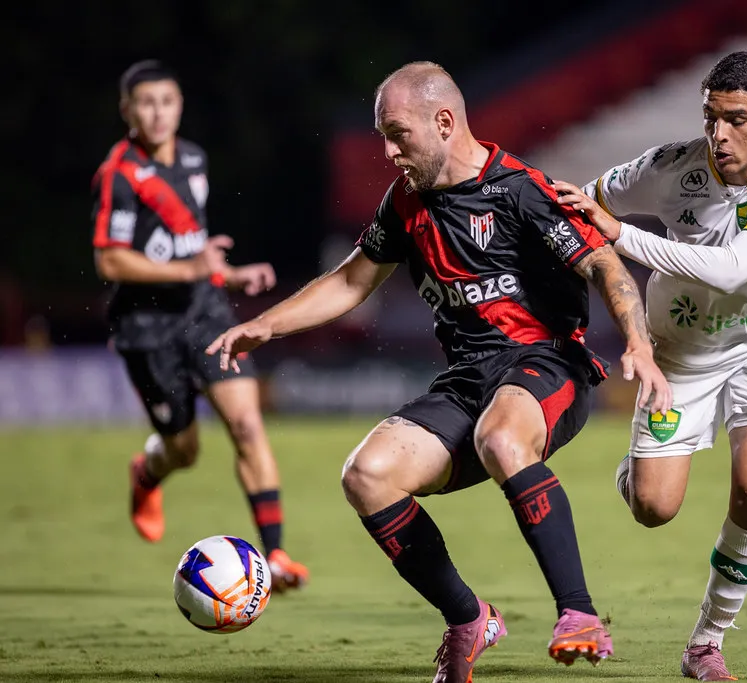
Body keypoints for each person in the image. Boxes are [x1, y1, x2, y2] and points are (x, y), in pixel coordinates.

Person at [208, 61, 671, 682]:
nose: (389, 150)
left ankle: (579, 613)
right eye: (382, 136)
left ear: (445, 121)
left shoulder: (521, 190)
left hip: (546, 365)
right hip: (467, 382)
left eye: (398, 133)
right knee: (367, 475)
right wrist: (265, 325)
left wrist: (637, 343)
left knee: (502, 436)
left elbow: (607, 267)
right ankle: (468, 617)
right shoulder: (405, 203)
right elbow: (350, 281)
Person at [552, 51, 747, 681]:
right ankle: (641, 468)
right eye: (710, 118)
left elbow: (734, 268)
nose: (719, 136)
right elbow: (583, 206)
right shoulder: (669, 166)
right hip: (680, 351)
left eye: (736, 120)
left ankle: (706, 643)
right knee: (654, 509)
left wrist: (618, 235)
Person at [90, 60, 308, 591]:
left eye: (167, 101)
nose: (158, 112)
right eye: (146, 103)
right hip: (146, 328)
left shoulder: (193, 159)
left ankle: (276, 555)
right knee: (184, 450)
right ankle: (147, 471)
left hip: (204, 314)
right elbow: (110, 261)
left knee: (247, 425)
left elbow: (193, 248)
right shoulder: (117, 175)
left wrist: (228, 275)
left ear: (179, 105)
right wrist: (188, 268)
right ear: (127, 110)